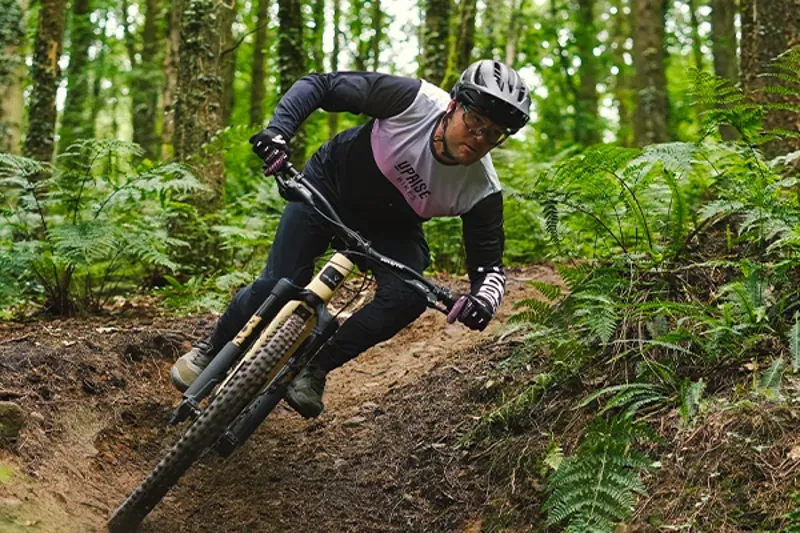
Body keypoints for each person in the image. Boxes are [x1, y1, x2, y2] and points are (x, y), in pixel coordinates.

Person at [170, 59, 531, 419]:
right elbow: (321, 85)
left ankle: (313, 366)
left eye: (494, 133)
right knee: (278, 283)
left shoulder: (482, 189)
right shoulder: (413, 101)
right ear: (453, 107)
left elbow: (490, 269)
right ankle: (212, 348)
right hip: (330, 184)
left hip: (391, 228)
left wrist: (482, 302)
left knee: (407, 297)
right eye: (475, 121)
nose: (479, 137)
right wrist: (278, 134)